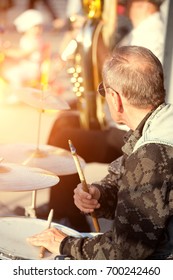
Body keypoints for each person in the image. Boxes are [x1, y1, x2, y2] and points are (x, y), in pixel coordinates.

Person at [27, 45, 173, 260]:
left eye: (104, 91)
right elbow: (130, 182)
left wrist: (65, 244)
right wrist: (99, 194)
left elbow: (127, 253)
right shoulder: (161, 124)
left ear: (115, 98)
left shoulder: (153, 154)